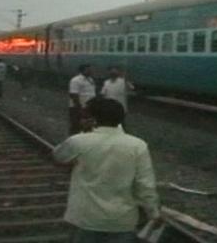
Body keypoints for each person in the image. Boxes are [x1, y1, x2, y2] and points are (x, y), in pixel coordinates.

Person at [52, 98, 161, 243]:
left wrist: (83, 131)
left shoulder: (78, 141)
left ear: (93, 119)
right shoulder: (138, 145)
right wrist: (153, 213)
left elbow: (58, 156)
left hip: (86, 219)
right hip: (122, 221)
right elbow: (145, 185)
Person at [69, 64, 96, 135]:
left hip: (89, 107)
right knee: (76, 125)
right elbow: (74, 95)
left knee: (87, 126)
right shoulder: (75, 80)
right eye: (89, 69)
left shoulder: (91, 80)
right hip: (78, 107)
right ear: (83, 70)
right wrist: (79, 108)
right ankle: (72, 140)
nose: (91, 71)